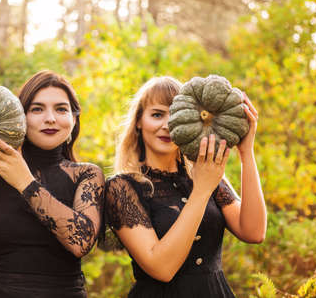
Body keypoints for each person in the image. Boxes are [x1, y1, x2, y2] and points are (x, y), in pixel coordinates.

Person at [0, 70, 105, 298]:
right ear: (20, 116)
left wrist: (25, 182)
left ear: (74, 119)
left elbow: (81, 243)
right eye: (37, 109)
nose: (50, 118)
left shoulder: (87, 175)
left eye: (61, 109)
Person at [102, 76, 266, 297]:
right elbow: (162, 269)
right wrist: (201, 191)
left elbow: (254, 231)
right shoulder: (121, 188)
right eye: (157, 114)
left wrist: (247, 152)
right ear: (139, 121)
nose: (167, 125)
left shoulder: (203, 174)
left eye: (176, 114)